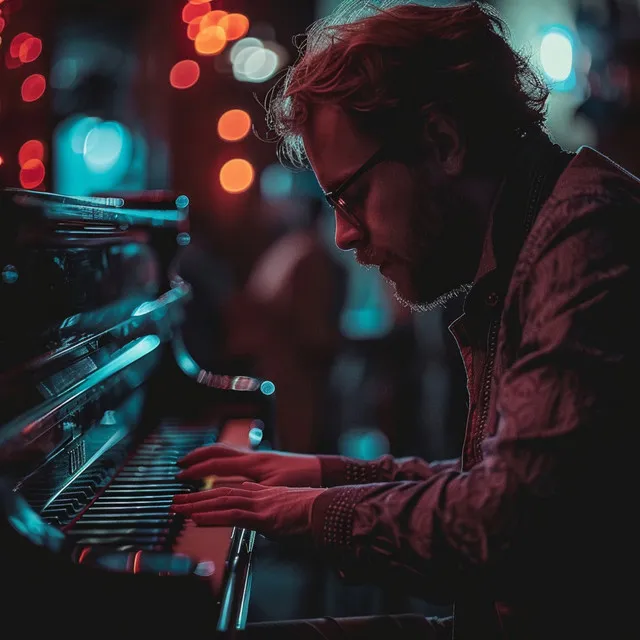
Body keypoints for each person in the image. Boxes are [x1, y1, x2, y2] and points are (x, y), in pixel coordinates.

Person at [171, 2, 638, 638]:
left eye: (350, 194)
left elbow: (501, 522)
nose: (341, 234)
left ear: (443, 142)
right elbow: (497, 484)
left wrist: (319, 513)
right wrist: (326, 476)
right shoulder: (536, 234)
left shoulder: (587, 238)